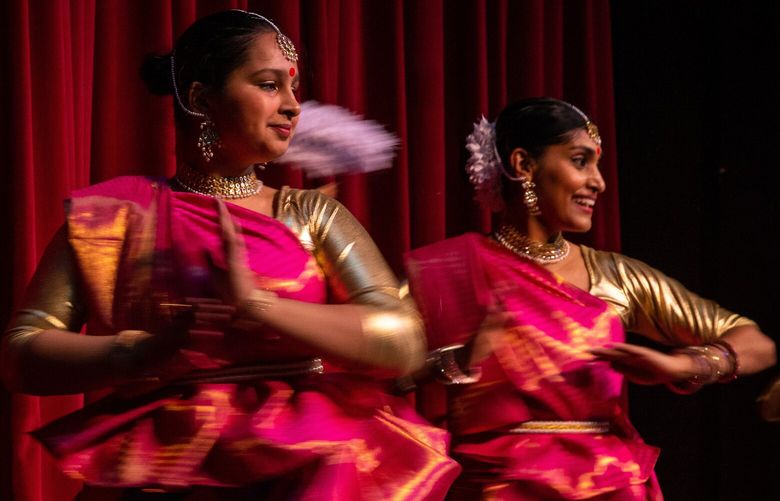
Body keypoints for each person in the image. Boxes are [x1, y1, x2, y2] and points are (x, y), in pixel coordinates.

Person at [0, 10, 459, 500]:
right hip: (166, 465)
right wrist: (142, 352)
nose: (293, 106)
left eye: (293, 88)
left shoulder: (309, 214)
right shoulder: (116, 216)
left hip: (303, 464)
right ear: (201, 98)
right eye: (269, 85)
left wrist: (260, 305)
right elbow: (21, 354)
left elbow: (403, 338)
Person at [404, 97, 776, 500]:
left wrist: (684, 364)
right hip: (495, 489)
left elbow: (757, 343)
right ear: (523, 165)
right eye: (580, 161)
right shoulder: (452, 267)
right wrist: (457, 361)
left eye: (596, 165)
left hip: (609, 488)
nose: (599, 182)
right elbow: (381, 374)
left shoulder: (616, 275)